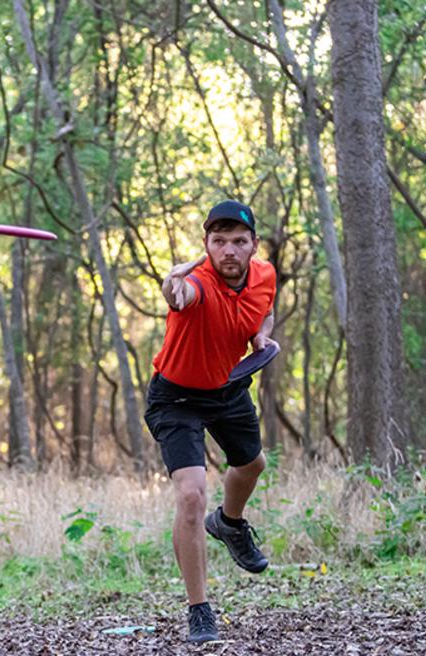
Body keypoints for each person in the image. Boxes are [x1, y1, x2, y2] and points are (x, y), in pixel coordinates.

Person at [145, 199, 278, 643]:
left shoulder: (265, 275)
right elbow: (180, 297)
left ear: (253, 245)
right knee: (190, 495)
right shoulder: (196, 283)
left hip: (227, 388)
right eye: (218, 241)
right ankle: (199, 610)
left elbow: (266, 308)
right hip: (176, 397)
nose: (229, 251)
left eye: (239, 241)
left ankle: (229, 522)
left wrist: (261, 333)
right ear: (206, 246)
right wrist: (172, 286)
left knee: (254, 465)